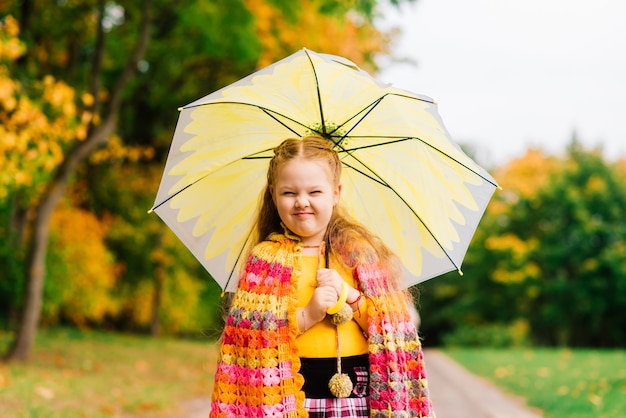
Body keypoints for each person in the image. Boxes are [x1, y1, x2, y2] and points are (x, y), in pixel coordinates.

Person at [210, 136, 434, 417]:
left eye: (315, 192)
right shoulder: (264, 261)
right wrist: (308, 314)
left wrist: (348, 295)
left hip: (356, 397)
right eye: (289, 193)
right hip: (289, 398)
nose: (302, 202)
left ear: (336, 192)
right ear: (273, 193)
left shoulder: (359, 253)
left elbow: (391, 325)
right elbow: (253, 336)